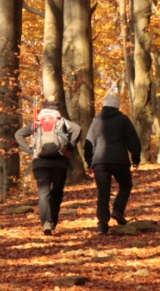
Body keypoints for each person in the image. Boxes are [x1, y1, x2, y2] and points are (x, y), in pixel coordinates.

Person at [15, 104, 82, 235]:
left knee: (43, 192)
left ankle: (46, 222)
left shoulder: (37, 122)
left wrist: (29, 150)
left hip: (39, 162)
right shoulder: (61, 121)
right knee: (56, 193)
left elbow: (18, 134)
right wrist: (69, 148)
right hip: (60, 162)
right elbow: (77, 129)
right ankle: (53, 222)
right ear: (58, 110)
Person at [84, 93, 142, 235]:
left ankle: (102, 226)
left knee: (103, 193)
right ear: (117, 106)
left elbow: (88, 144)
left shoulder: (96, 121)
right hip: (119, 160)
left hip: (100, 162)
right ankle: (118, 210)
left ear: (104, 106)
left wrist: (89, 162)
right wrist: (136, 158)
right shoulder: (122, 119)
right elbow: (132, 139)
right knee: (125, 185)